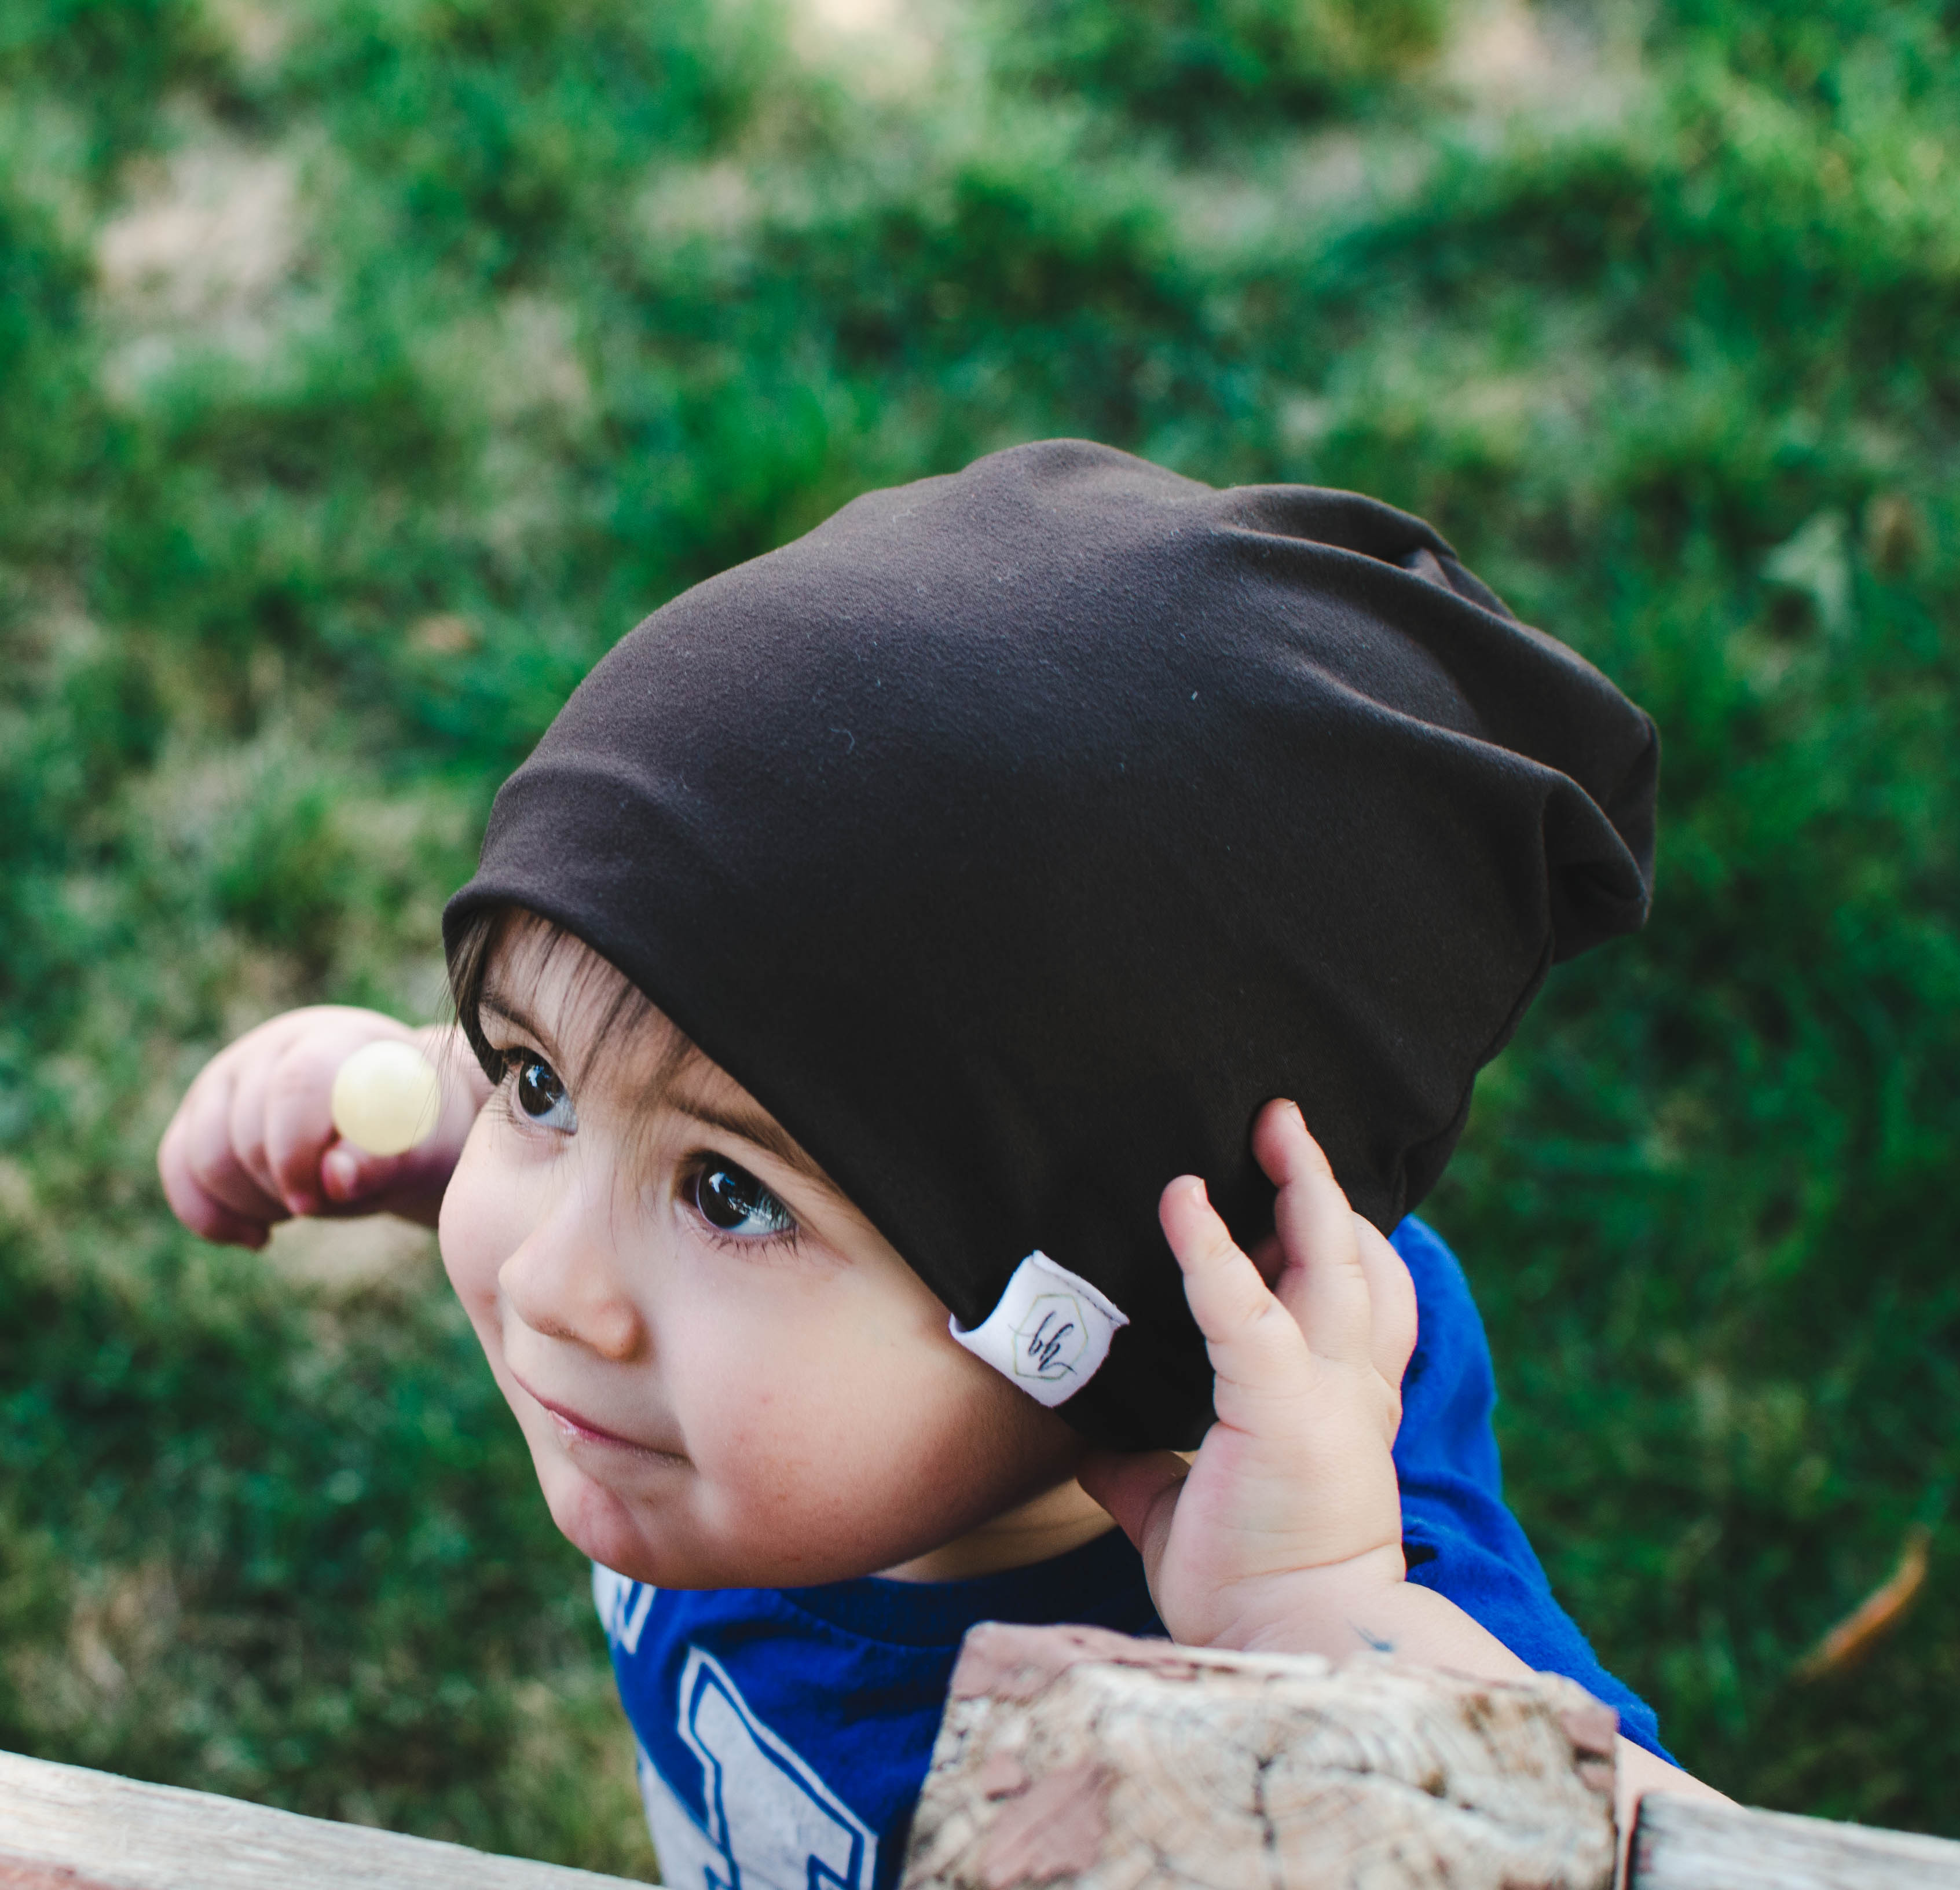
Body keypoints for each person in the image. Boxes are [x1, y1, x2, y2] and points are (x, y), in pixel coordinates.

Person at [158, 441, 1728, 1888]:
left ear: (1123, 1322)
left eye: (730, 1194)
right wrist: (429, 1114)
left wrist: (1303, 1628)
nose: (551, 1285)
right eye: (541, 1083)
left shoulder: (1352, 1594)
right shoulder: (730, 1394)